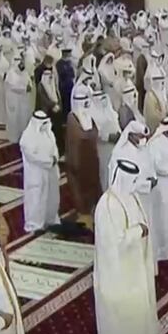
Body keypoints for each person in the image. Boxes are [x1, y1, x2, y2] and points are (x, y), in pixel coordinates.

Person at [93, 159, 159, 334]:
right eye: (132, 181)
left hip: (136, 264)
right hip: (117, 273)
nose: (134, 185)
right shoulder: (107, 205)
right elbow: (115, 241)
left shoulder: (131, 196)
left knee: (138, 309)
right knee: (122, 317)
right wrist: (139, 231)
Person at [65, 89, 101, 229]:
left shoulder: (88, 116)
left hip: (91, 156)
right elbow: (78, 136)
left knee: (93, 183)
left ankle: (92, 211)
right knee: (80, 187)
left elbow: (95, 131)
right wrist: (89, 135)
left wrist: (90, 135)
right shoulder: (72, 117)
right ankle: (83, 213)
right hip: (78, 158)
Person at [19, 111, 61, 233]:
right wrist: (49, 161)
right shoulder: (27, 137)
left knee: (51, 197)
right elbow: (32, 156)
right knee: (36, 199)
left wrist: (55, 158)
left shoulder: (49, 133)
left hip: (50, 172)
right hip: (36, 175)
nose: (44, 126)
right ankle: (34, 224)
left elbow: (55, 148)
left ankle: (50, 219)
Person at [148, 116, 168, 262]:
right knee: (163, 217)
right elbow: (157, 165)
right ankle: (163, 250)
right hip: (162, 185)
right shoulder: (156, 143)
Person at [90, 90, 121, 189]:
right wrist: (108, 137)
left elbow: (116, 123)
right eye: (101, 99)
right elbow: (96, 132)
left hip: (115, 146)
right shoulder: (93, 114)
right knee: (105, 173)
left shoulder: (110, 110)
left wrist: (119, 134)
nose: (103, 101)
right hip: (103, 148)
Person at [4, 56, 33, 144]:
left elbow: (29, 82)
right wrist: (25, 88)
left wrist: (29, 87)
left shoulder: (24, 72)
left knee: (24, 118)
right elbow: (14, 87)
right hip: (14, 101)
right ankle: (14, 138)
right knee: (14, 119)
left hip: (23, 100)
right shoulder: (11, 74)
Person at [36, 67, 65, 154]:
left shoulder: (53, 85)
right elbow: (44, 100)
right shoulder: (41, 86)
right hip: (48, 112)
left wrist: (58, 105)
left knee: (59, 131)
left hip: (57, 111)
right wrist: (52, 106)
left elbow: (57, 95)